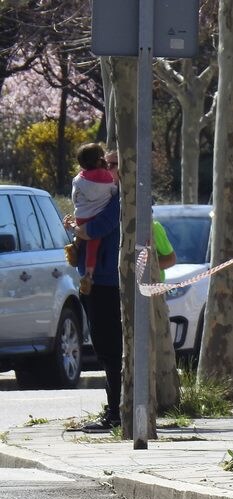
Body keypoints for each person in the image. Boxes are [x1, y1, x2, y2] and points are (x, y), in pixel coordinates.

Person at [66, 149, 123, 433]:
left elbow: (96, 229)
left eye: (115, 165)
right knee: (102, 343)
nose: (109, 168)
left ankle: (116, 412)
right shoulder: (101, 196)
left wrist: (79, 229)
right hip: (93, 280)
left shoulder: (119, 200)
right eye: (107, 163)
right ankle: (114, 409)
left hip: (109, 282)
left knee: (111, 346)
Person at [71, 143, 117, 293]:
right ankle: (88, 274)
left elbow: (75, 196)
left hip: (81, 215)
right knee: (92, 247)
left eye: (113, 164)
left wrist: (73, 225)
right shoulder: (107, 180)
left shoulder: (79, 178)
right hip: (94, 216)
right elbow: (112, 191)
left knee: (83, 237)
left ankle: (75, 247)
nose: (108, 167)